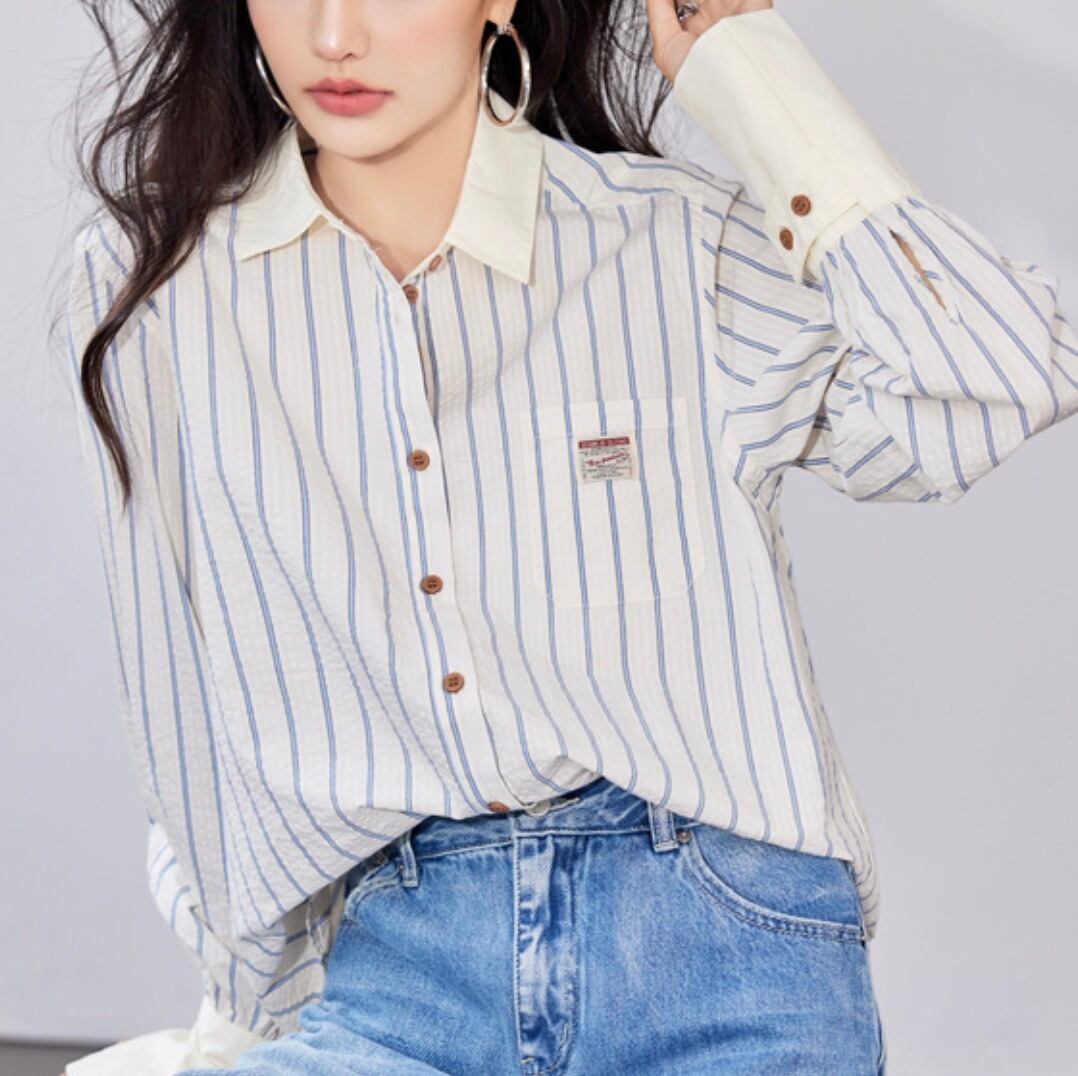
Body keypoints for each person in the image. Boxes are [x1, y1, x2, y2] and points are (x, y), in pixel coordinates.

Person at [55, 0, 1076, 1073]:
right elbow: (174, 679)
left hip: (727, 961)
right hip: (406, 974)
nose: (334, 35)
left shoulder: (670, 242)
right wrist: (248, 996)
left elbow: (1001, 378)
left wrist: (754, 79)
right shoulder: (159, 284)